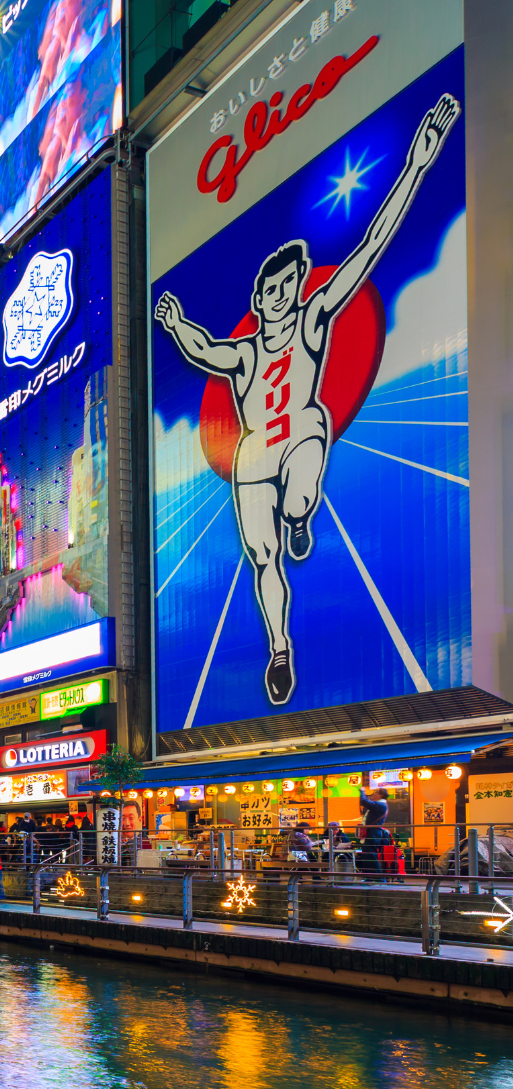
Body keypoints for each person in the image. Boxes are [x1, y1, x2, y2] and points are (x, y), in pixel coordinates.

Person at [154, 94, 461, 705]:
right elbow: (203, 347)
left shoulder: (313, 319)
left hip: (299, 436)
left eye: (291, 285)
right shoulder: (244, 353)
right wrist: (172, 324)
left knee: (309, 427)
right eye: (274, 288)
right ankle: (279, 650)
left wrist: (417, 166)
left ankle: (300, 514)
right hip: (251, 461)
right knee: (264, 561)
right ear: (262, 294)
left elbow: (370, 247)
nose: (282, 295)